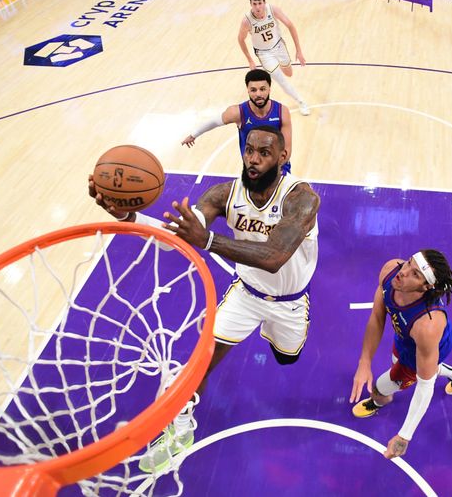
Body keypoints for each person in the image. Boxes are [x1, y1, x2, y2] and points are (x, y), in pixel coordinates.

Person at [89, 126, 320, 471]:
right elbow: (179, 237)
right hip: (247, 294)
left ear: (282, 157)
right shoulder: (223, 194)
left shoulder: (301, 199)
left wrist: (209, 240)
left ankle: (277, 338)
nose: (253, 159)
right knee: (203, 358)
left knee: (287, 357)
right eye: (249, 150)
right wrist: (127, 216)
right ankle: (181, 429)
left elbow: (274, 256)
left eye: (264, 153)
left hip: (290, 300)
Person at [349, 251, 452, 459]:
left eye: (416, 275)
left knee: (379, 388)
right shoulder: (390, 270)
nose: (404, 272)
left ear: (427, 287)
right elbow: (377, 317)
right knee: (409, 361)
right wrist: (365, 362)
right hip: (405, 338)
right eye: (409, 262)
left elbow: (425, 384)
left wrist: (404, 436)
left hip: (425, 343)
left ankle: (378, 401)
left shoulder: (427, 326)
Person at [181, 69, 294, 174]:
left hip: (278, 167)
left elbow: (287, 148)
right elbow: (215, 121)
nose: (258, 94)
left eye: (262, 89)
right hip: (253, 168)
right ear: (248, 91)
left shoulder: (282, 111)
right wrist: (194, 134)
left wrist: (275, 168)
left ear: (269, 88)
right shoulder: (237, 112)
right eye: (253, 90)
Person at [238, 0, 310, 116]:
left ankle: (280, 67)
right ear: (250, 4)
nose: (257, 7)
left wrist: (299, 51)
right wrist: (250, 60)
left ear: (264, 2)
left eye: (260, 3)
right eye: (254, 4)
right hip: (264, 53)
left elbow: (290, 25)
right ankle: (301, 102)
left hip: (279, 46)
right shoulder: (247, 21)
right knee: (281, 80)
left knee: (289, 73)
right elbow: (240, 40)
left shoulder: (273, 10)